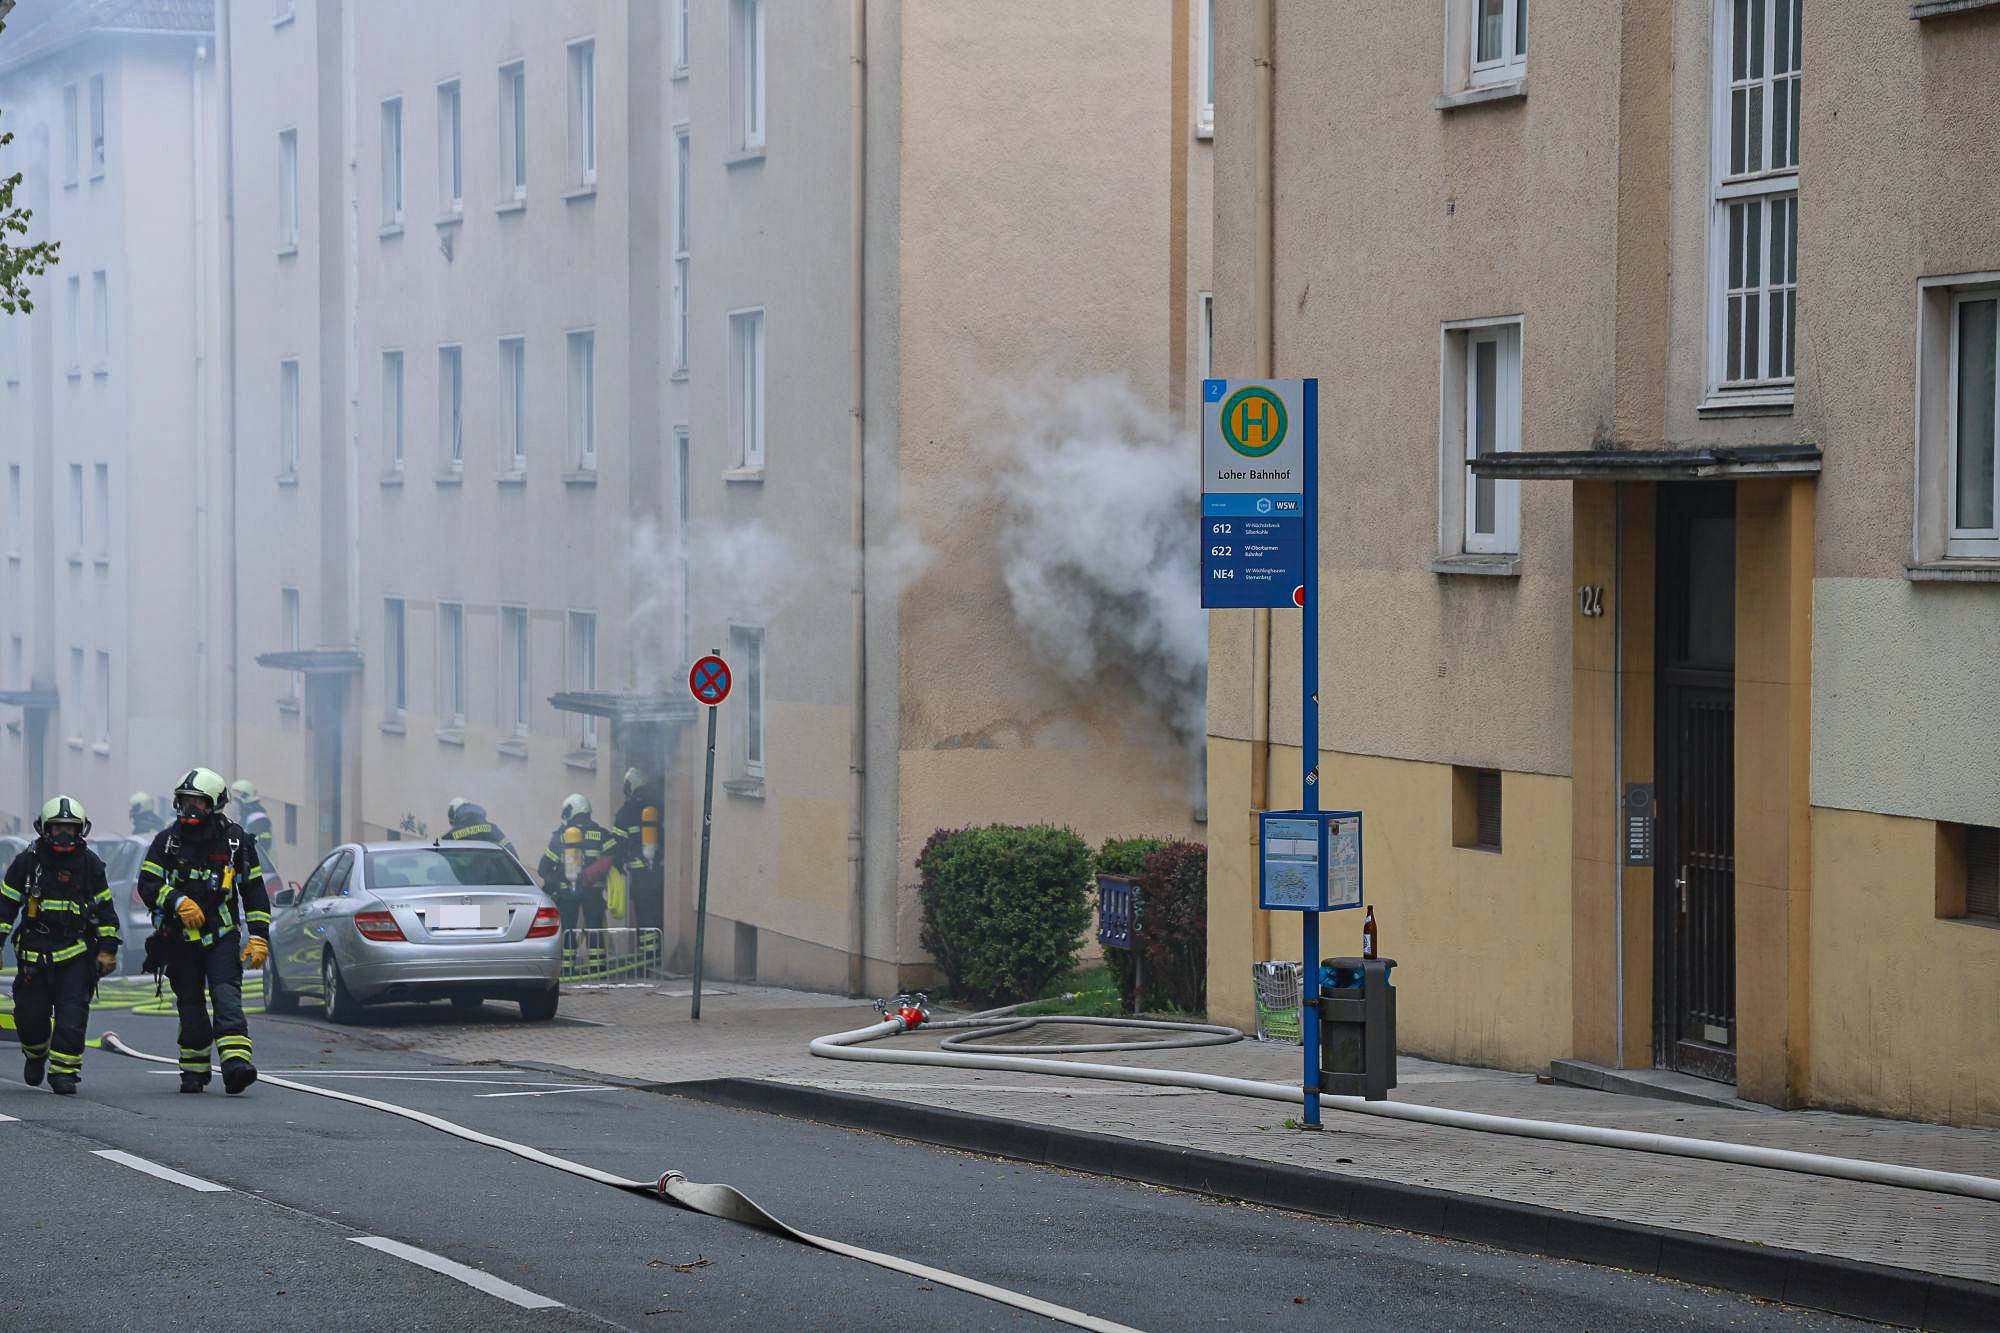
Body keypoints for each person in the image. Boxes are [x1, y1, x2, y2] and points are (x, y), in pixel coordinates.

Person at [137, 768, 271, 1094]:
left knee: (227, 999)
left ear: (214, 804)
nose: (189, 808)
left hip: (221, 937)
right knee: (191, 1006)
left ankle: (236, 1065)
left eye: (197, 801)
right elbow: (148, 883)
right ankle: (194, 1071)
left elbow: (254, 891)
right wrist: (177, 900)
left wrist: (258, 935)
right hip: (179, 940)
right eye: (185, 801)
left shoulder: (235, 842)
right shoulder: (167, 841)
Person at [0, 797, 120, 1095]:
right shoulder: (27, 863)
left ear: (81, 830)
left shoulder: (90, 864)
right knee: (30, 1019)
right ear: (45, 829)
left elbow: (106, 911)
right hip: (34, 955)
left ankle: (64, 1073)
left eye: (70, 828)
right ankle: (36, 1053)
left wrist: (108, 949)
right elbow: (5, 908)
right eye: (58, 828)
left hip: (76, 955)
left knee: (72, 1017)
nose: (65, 834)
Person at [538, 794, 613, 944]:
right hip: (593, 892)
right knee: (595, 931)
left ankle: (569, 959)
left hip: (567, 893)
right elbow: (615, 856)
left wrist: (555, 879)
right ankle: (596, 960)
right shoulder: (603, 835)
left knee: (568, 931)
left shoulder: (560, 836)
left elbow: (543, 868)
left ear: (572, 811)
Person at [611, 768, 666, 940]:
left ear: (630, 786)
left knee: (644, 916)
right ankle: (657, 948)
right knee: (656, 913)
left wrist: (617, 866)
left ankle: (648, 952)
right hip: (658, 872)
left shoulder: (625, 812)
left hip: (639, 876)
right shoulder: (657, 805)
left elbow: (618, 845)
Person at [442, 797, 519, 860]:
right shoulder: (492, 829)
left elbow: (443, 856)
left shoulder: (451, 835)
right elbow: (510, 849)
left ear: (455, 813)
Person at [229, 779, 274, 854]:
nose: (233, 804)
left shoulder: (259, 821)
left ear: (243, 800)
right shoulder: (247, 818)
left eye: (235, 800)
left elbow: (262, 847)